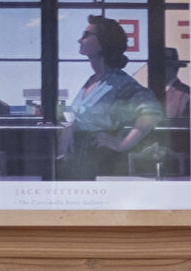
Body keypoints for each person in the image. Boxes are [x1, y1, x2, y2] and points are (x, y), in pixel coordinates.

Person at [55, 15, 162, 180]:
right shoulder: (93, 80)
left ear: (104, 41)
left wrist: (120, 144)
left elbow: (152, 112)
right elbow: (88, 115)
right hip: (76, 160)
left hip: (100, 162)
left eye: (85, 35)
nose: (79, 40)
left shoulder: (120, 83)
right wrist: (71, 126)